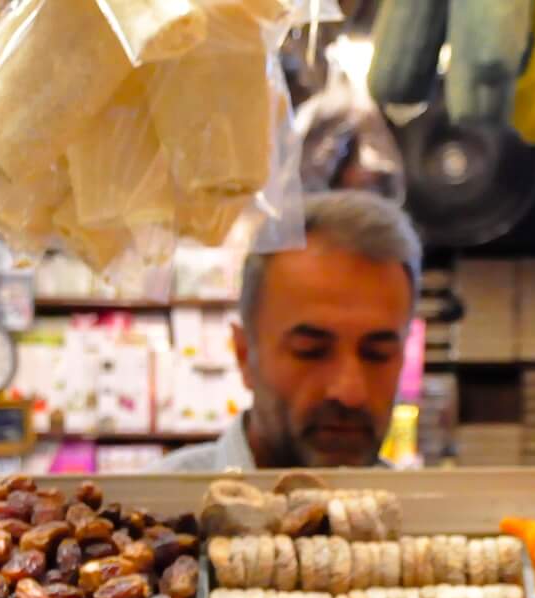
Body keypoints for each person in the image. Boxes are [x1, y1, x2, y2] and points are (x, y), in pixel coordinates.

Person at [160, 189, 420, 473]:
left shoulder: (428, 515)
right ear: (244, 354)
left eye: (378, 355)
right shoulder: (150, 506)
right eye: (311, 352)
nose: (350, 392)